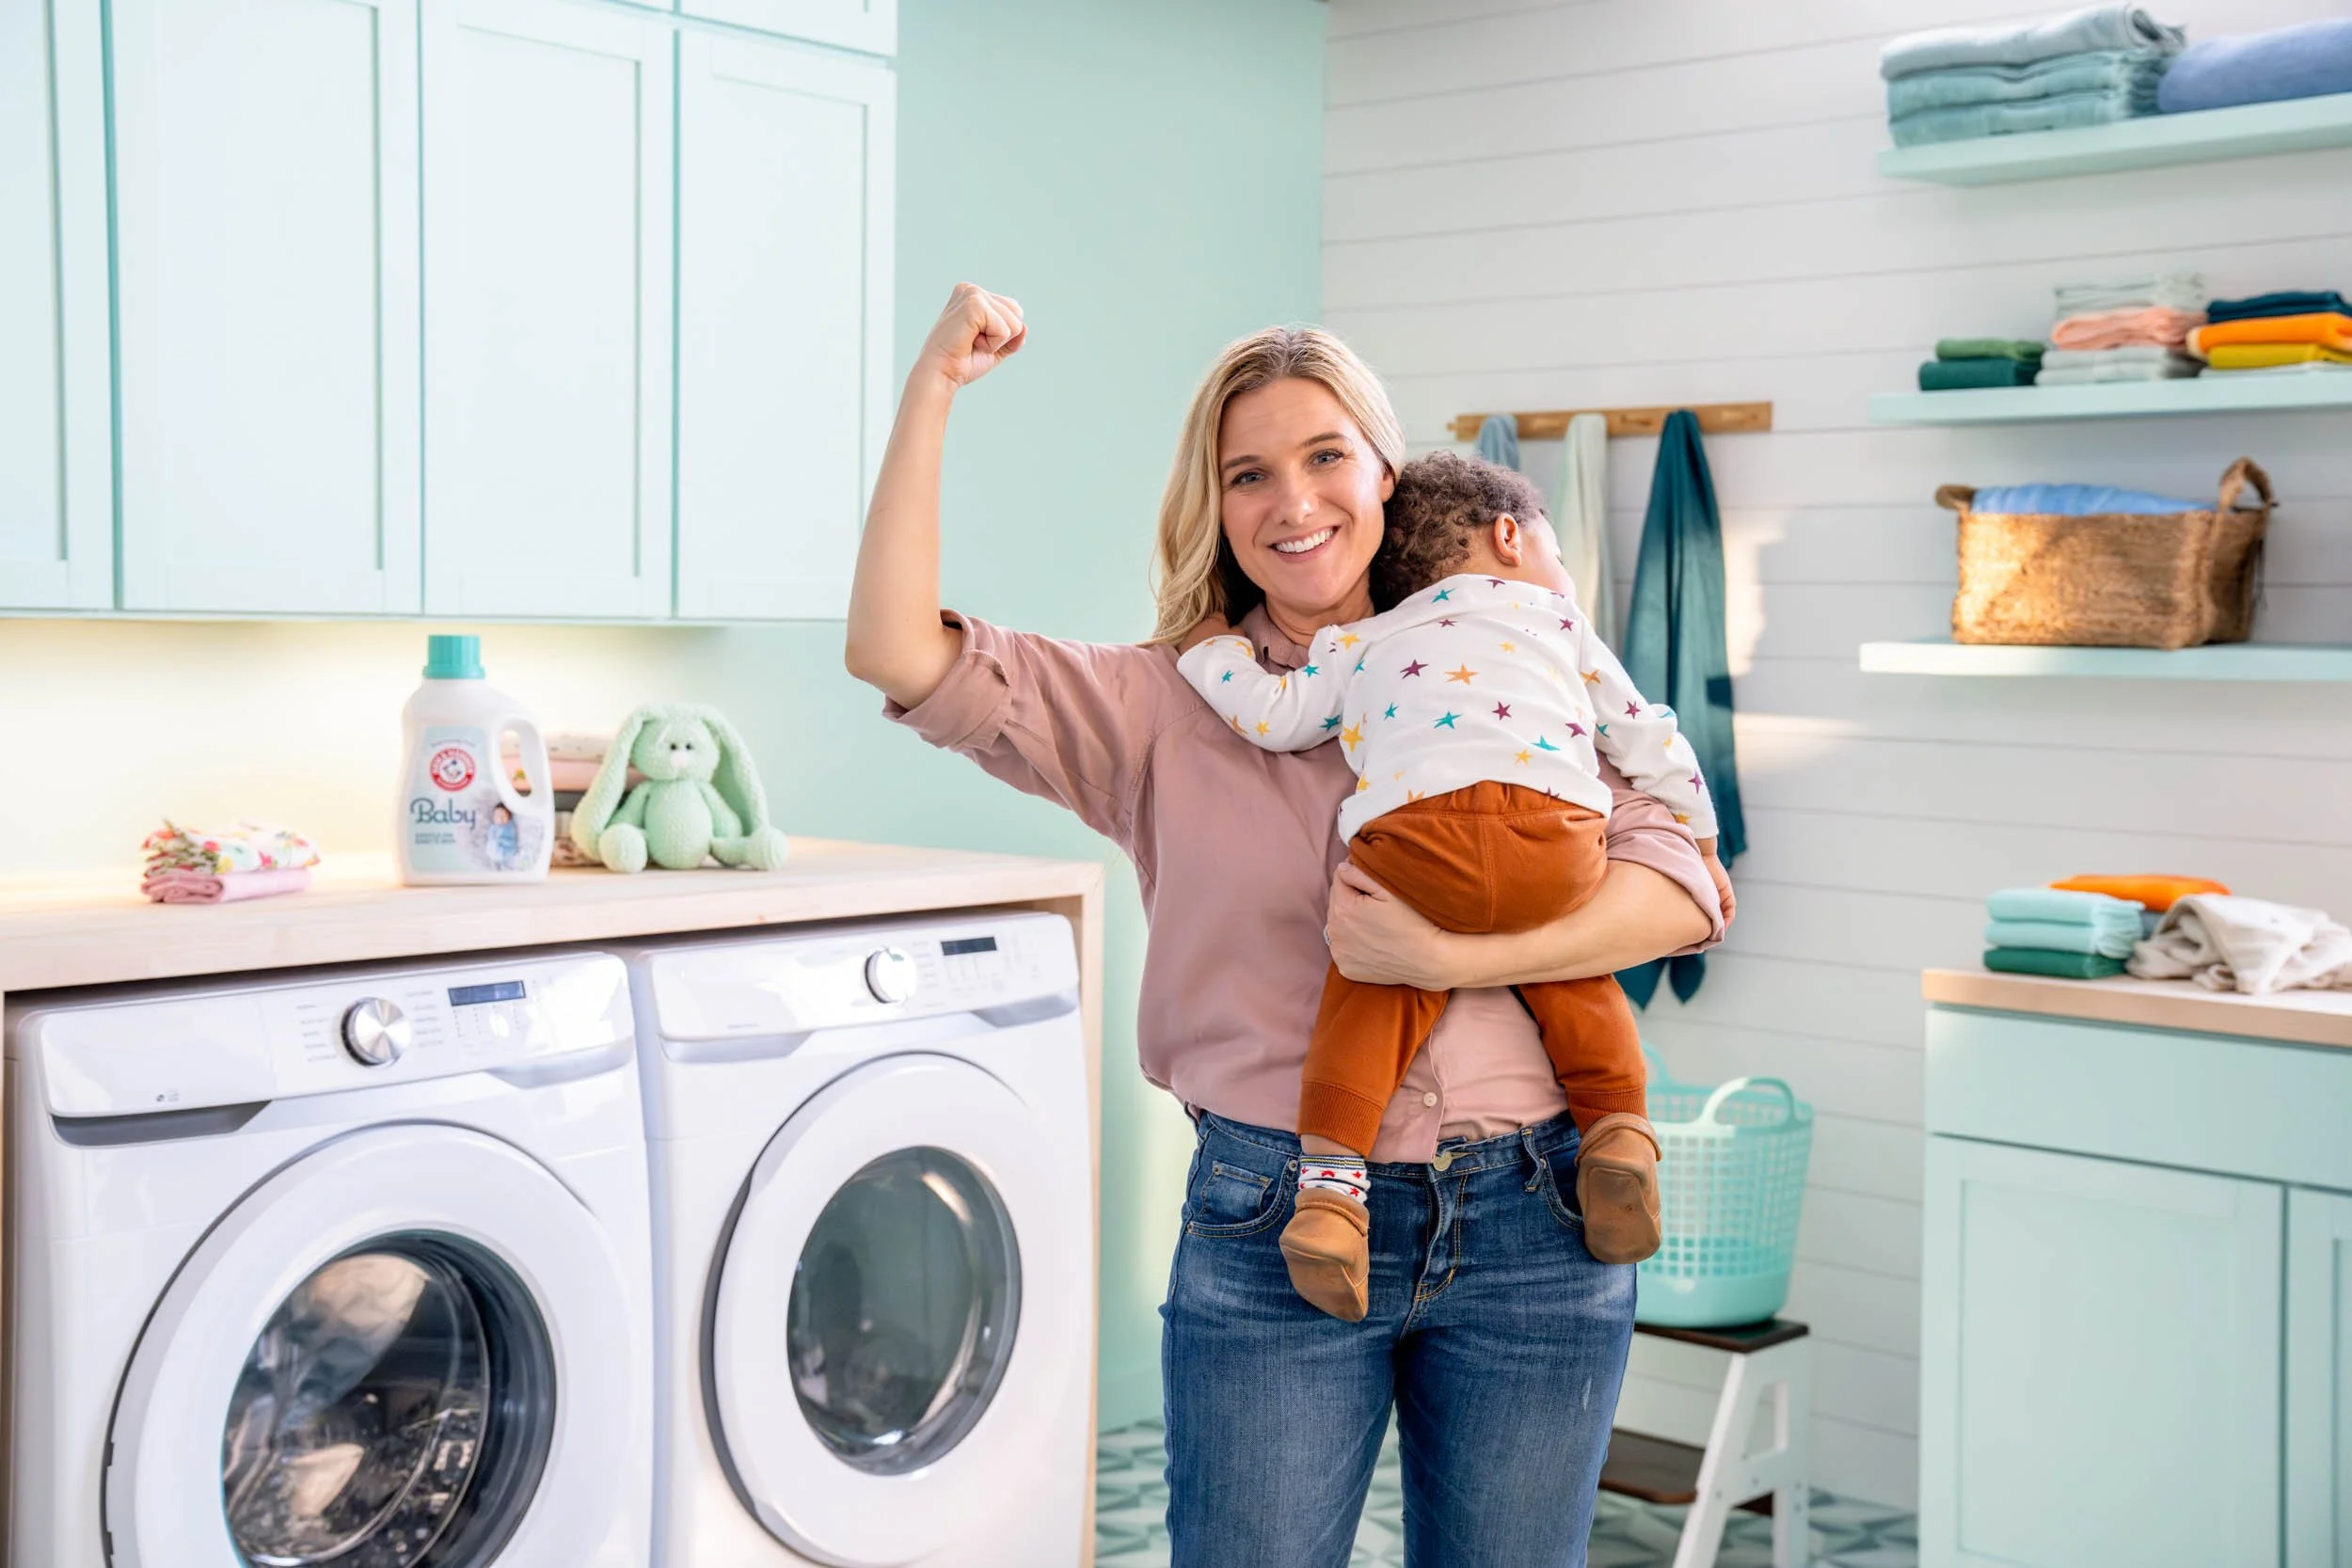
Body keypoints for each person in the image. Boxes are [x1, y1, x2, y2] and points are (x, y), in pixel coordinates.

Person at [845, 282, 1729, 1568]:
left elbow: (1682, 884)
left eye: (1326, 456)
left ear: (1386, 470)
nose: (1293, 501)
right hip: (1282, 1218)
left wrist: (1449, 962)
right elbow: (893, 648)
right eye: (1247, 473)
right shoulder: (1162, 704)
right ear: (1215, 508)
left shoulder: (1522, 654)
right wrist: (933, 386)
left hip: (1542, 1210)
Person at [1179, 450, 1721, 1320]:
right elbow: (1647, 738)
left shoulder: (1361, 640)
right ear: (1510, 537)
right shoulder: (1558, 624)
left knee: (1371, 992)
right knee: (1572, 967)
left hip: (1416, 845)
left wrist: (1212, 654)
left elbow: (1274, 718)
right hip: (1556, 840)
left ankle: (1328, 1196)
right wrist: (1700, 839)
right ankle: (1618, 1133)